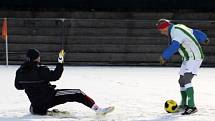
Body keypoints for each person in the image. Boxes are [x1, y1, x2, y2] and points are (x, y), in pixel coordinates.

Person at [15, 48, 114, 115]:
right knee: (77, 93)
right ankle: (98, 109)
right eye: (39, 56)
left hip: (36, 105)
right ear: (36, 58)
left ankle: (38, 110)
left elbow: (18, 86)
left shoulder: (19, 71)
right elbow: (56, 76)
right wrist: (60, 61)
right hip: (50, 98)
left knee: (38, 103)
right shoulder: (40, 69)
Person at [156, 19, 209, 115]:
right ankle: (184, 104)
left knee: (186, 79)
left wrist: (164, 56)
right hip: (187, 57)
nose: (162, 33)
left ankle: (192, 106)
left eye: (161, 31)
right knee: (181, 80)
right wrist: (203, 38)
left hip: (194, 56)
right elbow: (193, 31)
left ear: (165, 27)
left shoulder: (175, 32)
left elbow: (174, 46)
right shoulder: (179, 26)